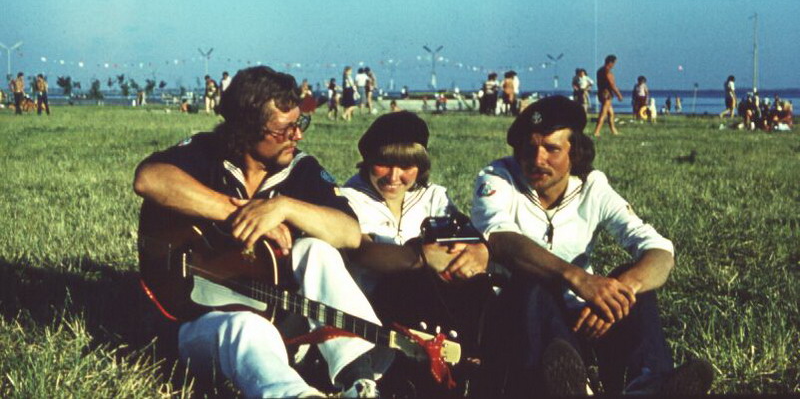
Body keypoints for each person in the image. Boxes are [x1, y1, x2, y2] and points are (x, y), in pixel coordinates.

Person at [133, 66, 391, 398]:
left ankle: (359, 380)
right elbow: (149, 179)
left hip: (282, 323)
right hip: (197, 322)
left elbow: (349, 234)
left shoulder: (301, 169)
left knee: (316, 250)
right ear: (245, 129)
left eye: (300, 123)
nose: (297, 136)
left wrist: (283, 207)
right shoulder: (207, 152)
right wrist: (236, 211)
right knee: (246, 326)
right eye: (284, 129)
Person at [472, 95, 713, 396]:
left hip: (581, 319)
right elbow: (500, 238)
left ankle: (650, 386)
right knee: (530, 282)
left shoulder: (592, 186)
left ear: (575, 152)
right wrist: (577, 278)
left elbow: (659, 251)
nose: (537, 159)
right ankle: (568, 386)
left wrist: (618, 293)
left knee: (632, 282)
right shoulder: (498, 177)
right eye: (529, 148)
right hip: (518, 319)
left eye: (551, 149)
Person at [341, 112, 491, 389]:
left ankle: (488, 361)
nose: (394, 176)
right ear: (367, 160)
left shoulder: (433, 196)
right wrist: (420, 256)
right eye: (383, 164)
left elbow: (466, 237)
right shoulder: (350, 198)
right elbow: (360, 250)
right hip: (375, 309)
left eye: (406, 166)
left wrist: (478, 249)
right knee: (411, 278)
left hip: (436, 305)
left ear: (420, 166)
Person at [592, 55, 623, 136]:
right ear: (610, 62)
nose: (614, 65)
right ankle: (597, 131)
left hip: (601, 92)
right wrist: (619, 95)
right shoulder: (607, 71)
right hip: (607, 94)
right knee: (603, 113)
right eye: (614, 63)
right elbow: (612, 85)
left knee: (611, 113)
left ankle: (613, 130)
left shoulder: (600, 70)